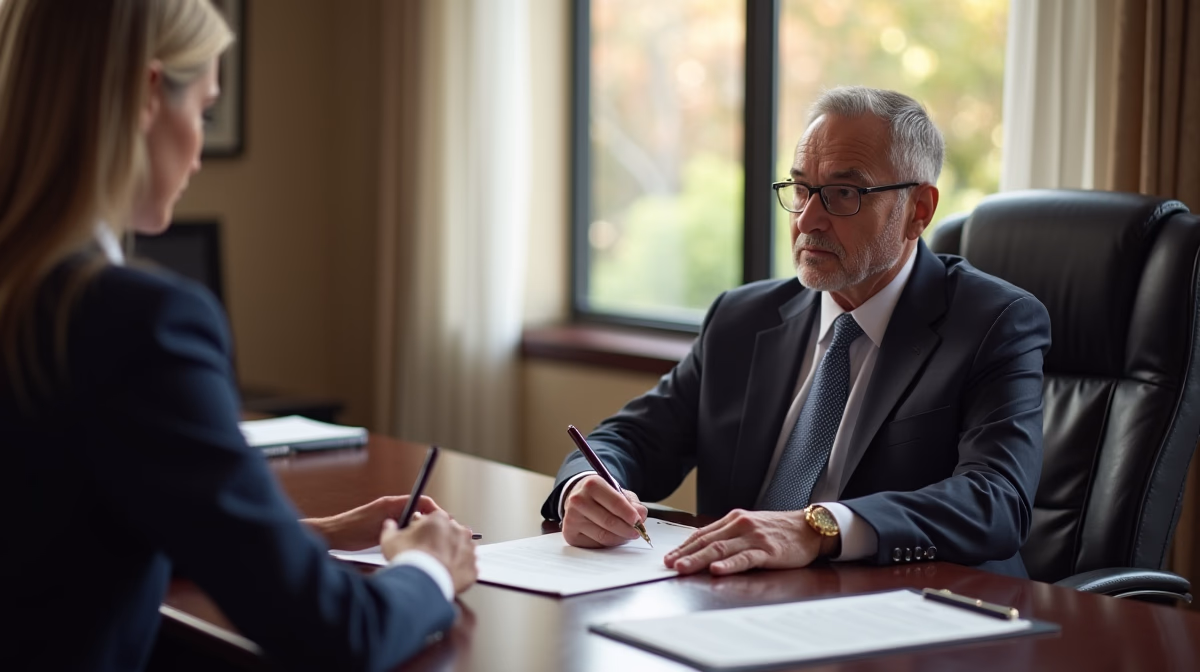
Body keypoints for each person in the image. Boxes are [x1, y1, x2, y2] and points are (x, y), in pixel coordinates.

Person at [0, 2, 476, 670]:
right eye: (204, 110)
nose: (198, 149)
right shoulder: (136, 323)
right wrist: (427, 569)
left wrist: (313, 536)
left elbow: (65, 535)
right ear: (145, 95)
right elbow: (336, 634)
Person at [543, 86, 1050, 579]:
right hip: (737, 600)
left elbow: (995, 500)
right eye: (802, 188)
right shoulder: (744, 318)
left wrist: (817, 529)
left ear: (918, 210)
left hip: (915, 619)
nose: (809, 218)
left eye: (843, 193)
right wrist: (586, 485)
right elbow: (632, 438)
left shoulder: (993, 322)